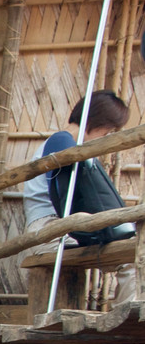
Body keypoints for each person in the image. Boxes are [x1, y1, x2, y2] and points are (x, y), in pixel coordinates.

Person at [22, 90, 136, 306]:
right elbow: (67, 200)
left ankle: (130, 311)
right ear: (96, 120)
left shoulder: (66, 146)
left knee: (133, 253)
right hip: (50, 230)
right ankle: (130, 314)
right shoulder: (61, 143)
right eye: (107, 131)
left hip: (63, 227)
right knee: (133, 256)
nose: (106, 138)